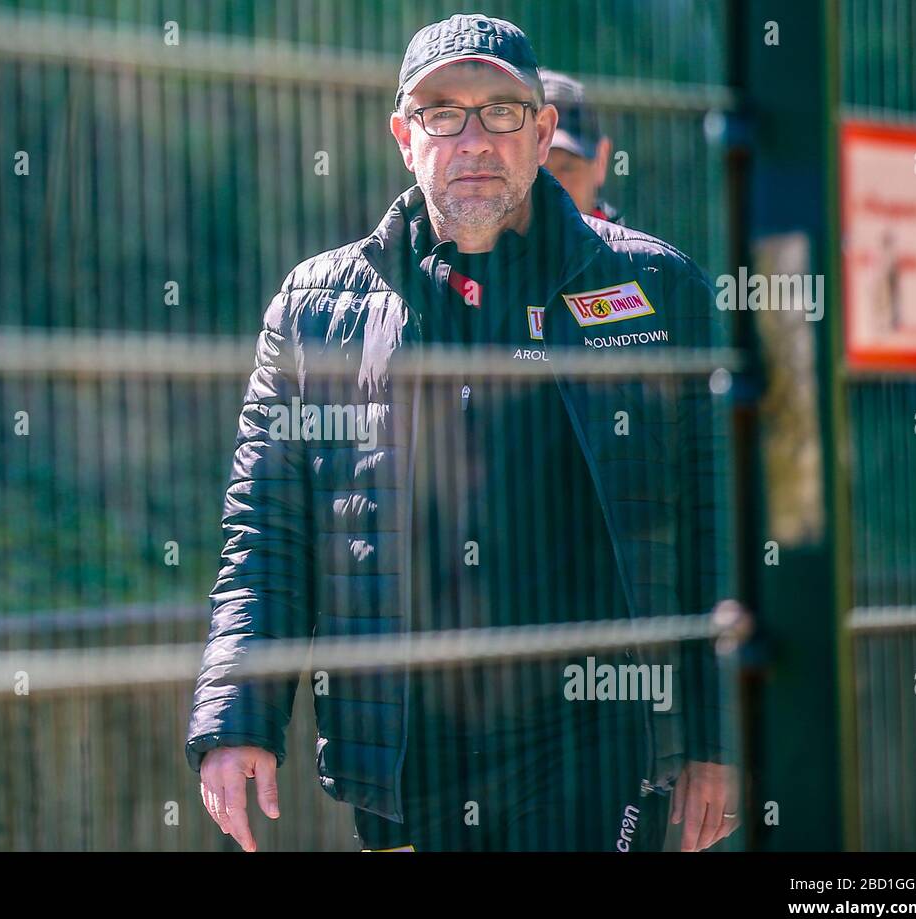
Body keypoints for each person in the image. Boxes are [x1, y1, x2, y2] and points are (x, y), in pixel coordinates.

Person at [185, 12, 737, 852]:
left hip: (594, 744)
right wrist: (235, 716)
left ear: (542, 129)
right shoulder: (316, 308)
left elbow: (719, 527)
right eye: (444, 112)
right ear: (405, 136)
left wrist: (715, 738)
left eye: (502, 111)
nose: (473, 137)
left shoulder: (655, 290)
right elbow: (266, 531)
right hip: (410, 754)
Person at [539, 68, 623, 223]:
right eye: (536, 171)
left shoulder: (632, 247)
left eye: (567, 168)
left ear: (601, 161)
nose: (550, 187)